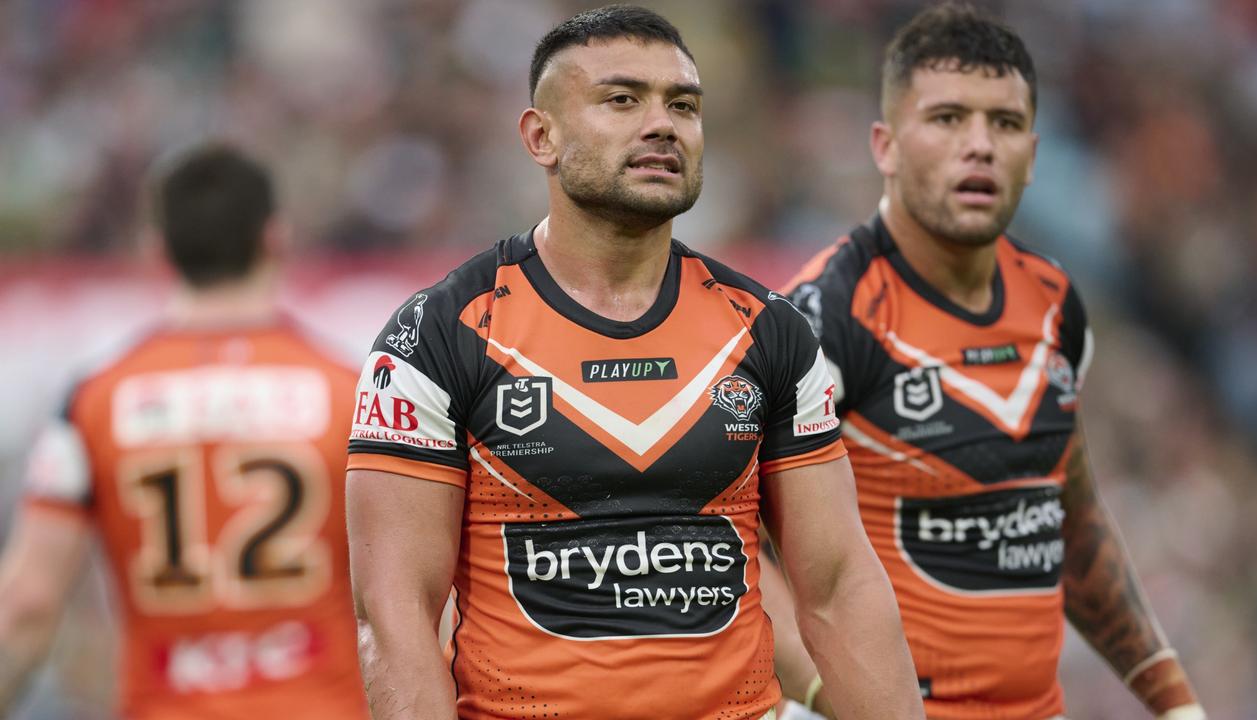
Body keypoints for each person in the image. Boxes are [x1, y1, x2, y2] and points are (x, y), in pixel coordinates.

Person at [345, 6, 923, 720]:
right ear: (541, 136)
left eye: (683, 105)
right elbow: (394, 611)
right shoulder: (437, 335)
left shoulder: (769, 332)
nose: (663, 124)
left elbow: (837, 587)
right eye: (622, 100)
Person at [778, 4, 1205, 719]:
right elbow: (740, 548)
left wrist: (1172, 699)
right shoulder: (820, 320)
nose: (978, 145)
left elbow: (1065, 516)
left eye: (1004, 124)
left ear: (1033, 155)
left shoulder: (1054, 302)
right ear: (884, 145)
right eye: (947, 119)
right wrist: (831, 701)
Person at [0, 144, 370, 720]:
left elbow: (27, 603)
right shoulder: (352, 395)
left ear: (158, 249)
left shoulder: (93, 400)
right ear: (274, 237)